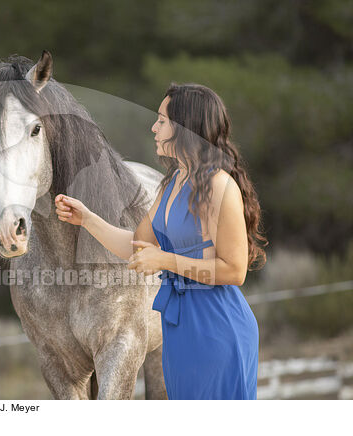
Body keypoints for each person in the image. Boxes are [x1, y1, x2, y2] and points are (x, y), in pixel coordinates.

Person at [54, 83, 268, 400]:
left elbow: (234, 271)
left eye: (162, 120)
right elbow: (138, 247)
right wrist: (87, 219)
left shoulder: (220, 185)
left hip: (217, 331)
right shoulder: (174, 182)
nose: (154, 127)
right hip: (178, 331)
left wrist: (164, 261)